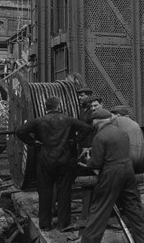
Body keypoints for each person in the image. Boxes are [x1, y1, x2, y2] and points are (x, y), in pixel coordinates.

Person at [72, 108, 144, 243]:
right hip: (128, 171)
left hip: (111, 174)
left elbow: (96, 163)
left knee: (99, 209)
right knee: (132, 206)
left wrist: (87, 161)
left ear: (96, 121)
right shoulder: (121, 132)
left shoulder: (100, 137)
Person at [15, 97, 92, 231]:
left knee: (45, 192)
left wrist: (33, 143)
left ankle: (45, 225)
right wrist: (74, 140)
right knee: (64, 191)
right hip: (65, 159)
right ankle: (63, 224)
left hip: (45, 159)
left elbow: (20, 131)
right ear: (59, 106)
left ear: (46, 107)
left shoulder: (38, 121)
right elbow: (87, 128)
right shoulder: (68, 119)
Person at [110, 105, 144, 174]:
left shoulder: (117, 120)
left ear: (118, 115)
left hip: (127, 162)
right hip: (142, 161)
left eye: (112, 115)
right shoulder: (135, 123)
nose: (110, 118)